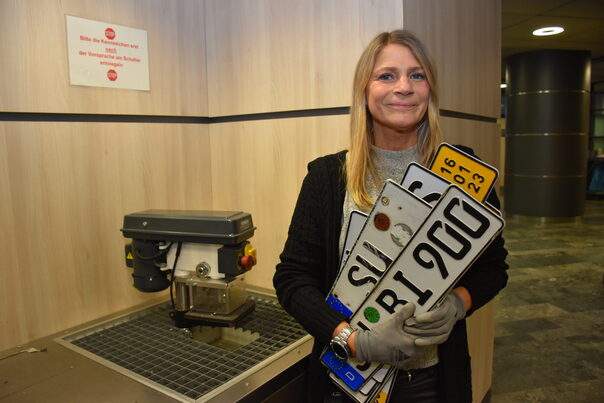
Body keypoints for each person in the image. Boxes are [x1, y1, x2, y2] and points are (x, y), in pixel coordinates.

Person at [273, 30, 508, 403]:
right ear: (364, 91)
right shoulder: (327, 178)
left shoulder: (464, 174)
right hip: (346, 383)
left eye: (417, 75)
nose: (404, 87)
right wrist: (352, 340)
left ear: (430, 89)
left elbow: (495, 267)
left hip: (431, 382)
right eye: (387, 75)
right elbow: (292, 278)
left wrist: (456, 306)